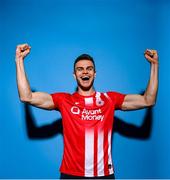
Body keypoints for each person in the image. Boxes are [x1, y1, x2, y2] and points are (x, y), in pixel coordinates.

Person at [15, 44, 158, 179]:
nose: (85, 72)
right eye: (80, 69)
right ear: (74, 75)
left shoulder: (109, 99)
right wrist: (19, 60)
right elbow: (26, 96)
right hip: (71, 175)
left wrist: (154, 65)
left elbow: (148, 100)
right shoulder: (64, 100)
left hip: (103, 175)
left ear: (94, 74)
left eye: (89, 69)